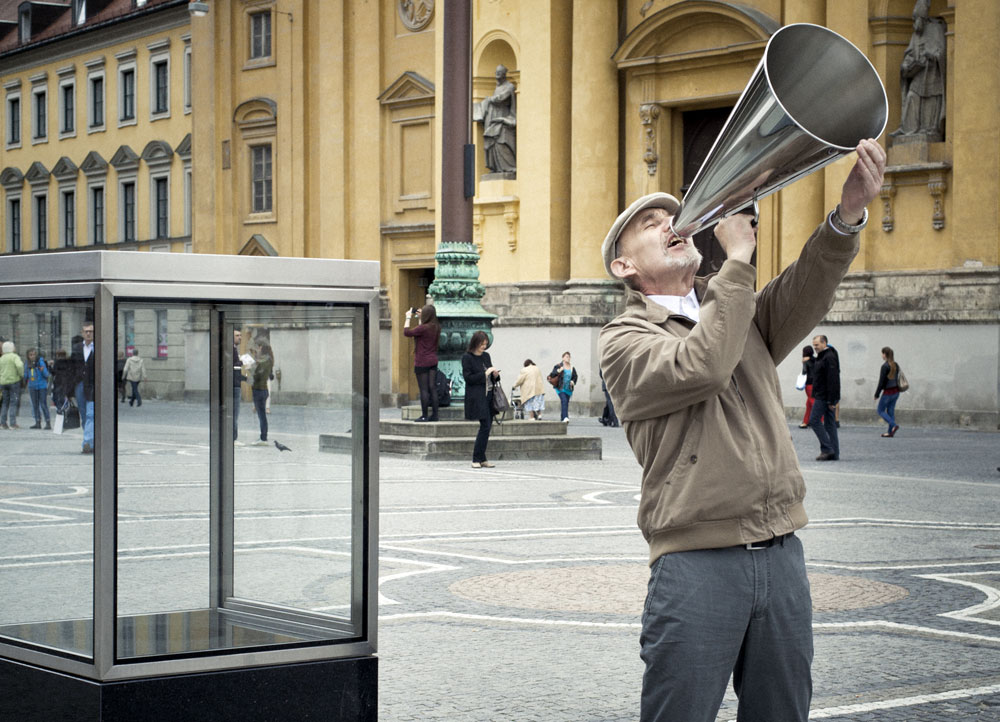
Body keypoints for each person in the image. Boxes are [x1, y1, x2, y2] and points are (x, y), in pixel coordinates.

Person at [599, 138, 885, 722]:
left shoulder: (734, 310)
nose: (670, 224)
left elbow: (808, 286)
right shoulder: (623, 340)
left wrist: (847, 213)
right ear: (624, 267)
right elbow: (702, 364)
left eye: (673, 217)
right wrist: (737, 261)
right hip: (697, 562)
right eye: (652, 224)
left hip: (781, 555)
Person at [890, 0, 946, 139]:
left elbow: (943, 52)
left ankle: (929, 130)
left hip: (933, 73)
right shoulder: (916, 35)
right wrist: (906, 65)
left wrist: (933, 55)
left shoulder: (936, 28)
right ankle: (907, 128)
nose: (915, 23)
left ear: (923, 18)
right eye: (913, 20)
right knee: (911, 96)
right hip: (919, 73)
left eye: (916, 19)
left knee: (932, 100)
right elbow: (909, 53)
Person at [462, 330, 499, 468]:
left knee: (487, 426)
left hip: (489, 394)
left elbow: (491, 376)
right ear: (475, 343)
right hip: (477, 396)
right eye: (482, 344)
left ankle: (482, 458)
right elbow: (468, 378)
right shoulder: (467, 357)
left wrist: (495, 374)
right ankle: (476, 458)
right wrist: (484, 374)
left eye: (485, 344)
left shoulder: (486, 356)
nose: (484, 347)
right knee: (485, 425)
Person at [403, 304, 441, 422]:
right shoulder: (436, 327)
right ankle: (435, 415)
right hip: (433, 360)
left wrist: (408, 317)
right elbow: (423, 329)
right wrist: (421, 317)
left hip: (422, 361)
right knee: (432, 388)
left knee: (424, 389)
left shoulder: (423, 328)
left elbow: (406, 332)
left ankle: (424, 415)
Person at [475, 64, 517, 173]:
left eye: (500, 72)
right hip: (492, 117)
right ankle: (496, 166)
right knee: (492, 142)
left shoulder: (509, 86)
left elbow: (501, 98)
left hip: (502, 116)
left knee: (502, 141)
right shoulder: (497, 87)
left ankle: (508, 167)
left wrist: (489, 99)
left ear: (504, 74)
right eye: (496, 72)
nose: (497, 74)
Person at [809, 334, 841, 461]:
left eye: (816, 345)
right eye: (814, 345)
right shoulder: (825, 356)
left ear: (824, 343)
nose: (815, 347)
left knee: (814, 420)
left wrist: (831, 400)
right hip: (826, 395)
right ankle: (834, 452)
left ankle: (827, 449)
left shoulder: (829, 357)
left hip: (824, 395)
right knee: (829, 424)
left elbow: (833, 380)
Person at [71, 322, 96, 453]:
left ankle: (87, 442)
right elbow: (71, 368)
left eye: (91, 331)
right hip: (80, 385)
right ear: (82, 333)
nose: (88, 333)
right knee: (84, 415)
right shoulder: (76, 348)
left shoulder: (99, 347)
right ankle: (91, 440)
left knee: (91, 414)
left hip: (93, 384)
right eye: (86, 331)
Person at [874, 346, 902, 438]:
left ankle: (894, 425)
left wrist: (877, 394)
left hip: (888, 393)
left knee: (880, 410)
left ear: (885, 355)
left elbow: (881, 382)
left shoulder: (885, 366)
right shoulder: (896, 365)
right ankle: (890, 432)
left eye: (882, 353)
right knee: (890, 411)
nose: (881, 355)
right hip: (896, 392)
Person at [251, 340, 273, 445]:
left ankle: (263, 438)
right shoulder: (268, 359)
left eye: (257, 347)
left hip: (259, 389)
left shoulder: (264, 360)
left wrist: (251, 368)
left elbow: (258, 375)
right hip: (263, 389)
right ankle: (263, 437)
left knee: (262, 415)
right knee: (262, 415)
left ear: (260, 348)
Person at [24, 348, 51, 429]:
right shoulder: (27, 363)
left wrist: (41, 369)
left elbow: (46, 374)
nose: (32, 356)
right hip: (32, 386)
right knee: (35, 405)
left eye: (34, 354)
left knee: (43, 404)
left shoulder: (40, 361)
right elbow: (25, 374)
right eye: (30, 355)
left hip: (41, 386)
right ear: (28, 356)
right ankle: (37, 422)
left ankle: (48, 422)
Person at [0, 341, 24, 430]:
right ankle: (12, 423)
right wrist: (20, 374)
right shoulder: (14, 357)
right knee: (13, 402)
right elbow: (20, 365)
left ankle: (3, 423)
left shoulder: (2, 358)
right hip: (14, 382)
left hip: (3, 383)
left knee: (5, 403)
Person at [550, 352, 578, 423]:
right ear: (563, 358)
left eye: (569, 357)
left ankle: (563, 418)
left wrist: (573, 381)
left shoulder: (572, 367)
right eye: (566, 356)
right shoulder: (558, 366)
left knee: (566, 402)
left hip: (568, 389)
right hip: (560, 388)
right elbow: (552, 374)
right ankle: (566, 417)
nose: (568, 358)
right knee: (564, 400)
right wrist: (559, 371)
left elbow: (575, 376)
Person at [233, 328, 247, 443]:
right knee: (235, 413)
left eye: (240, 335)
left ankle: (233, 436)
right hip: (234, 385)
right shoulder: (232, 350)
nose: (240, 337)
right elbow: (234, 366)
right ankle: (233, 437)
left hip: (236, 383)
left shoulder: (234, 349)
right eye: (237, 335)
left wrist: (245, 378)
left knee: (235, 413)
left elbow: (235, 368)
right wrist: (242, 362)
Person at [799, 345, 816, 428]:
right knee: (809, 403)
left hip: (809, 383)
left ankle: (819, 421)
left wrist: (803, 363)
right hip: (816, 383)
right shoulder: (815, 360)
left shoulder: (806, 361)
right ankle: (806, 421)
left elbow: (804, 372)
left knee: (812, 402)